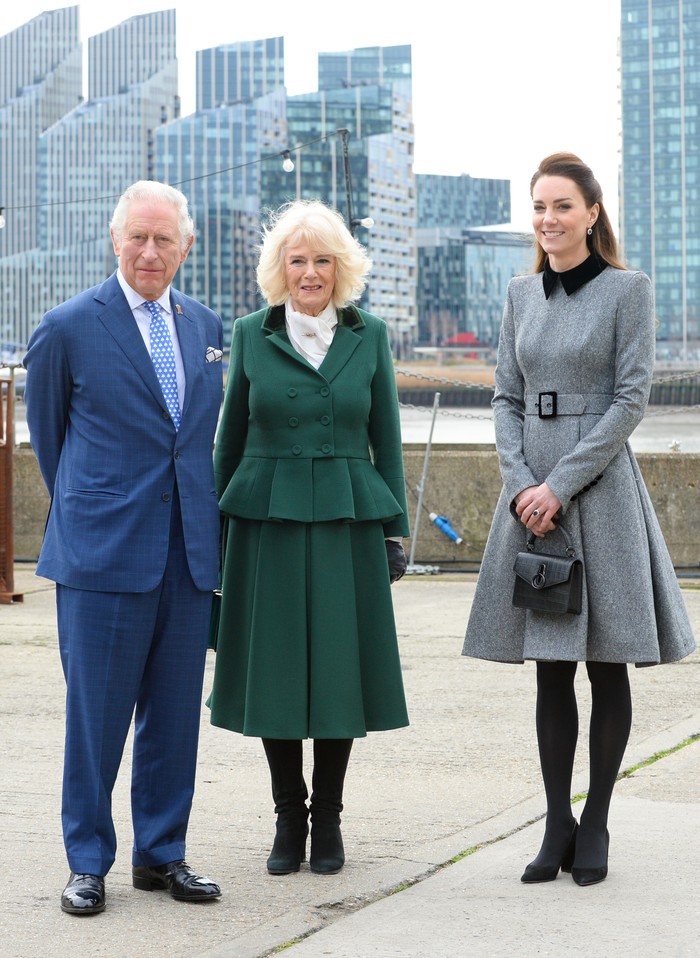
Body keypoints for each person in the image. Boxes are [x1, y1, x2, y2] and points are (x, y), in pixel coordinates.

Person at [463, 153, 696, 887]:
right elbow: (505, 397)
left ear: (592, 213)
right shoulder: (520, 293)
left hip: (599, 493)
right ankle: (555, 823)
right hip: (530, 498)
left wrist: (559, 485)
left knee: (607, 662)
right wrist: (521, 485)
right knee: (551, 668)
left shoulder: (629, 290)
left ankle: (595, 821)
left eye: (562, 205)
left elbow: (631, 400)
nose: (548, 219)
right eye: (539, 206)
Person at [24, 180, 224, 915]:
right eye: (137, 236)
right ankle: (87, 862)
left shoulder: (206, 327)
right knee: (96, 721)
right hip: (102, 556)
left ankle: (162, 854)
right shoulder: (68, 327)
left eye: (163, 239)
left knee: (173, 719)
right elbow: (51, 445)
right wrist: (100, 512)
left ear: (186, 246)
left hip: (187, 556)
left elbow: (194, 441)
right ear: (115, 239)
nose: (149, 251)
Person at [207, 198, 409, 876]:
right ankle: (288, 817)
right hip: (266, 522)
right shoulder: (249, 333)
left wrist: (395, 533)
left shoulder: (370, 334)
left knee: (338, 672)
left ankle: (330, 818)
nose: (311, 273)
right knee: (275, 672)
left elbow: (386, 439)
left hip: (347, 523)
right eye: (298, 260)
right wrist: (211, 538)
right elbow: (229, 441)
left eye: (323, 260)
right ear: (280, 269)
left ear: (341, 268)